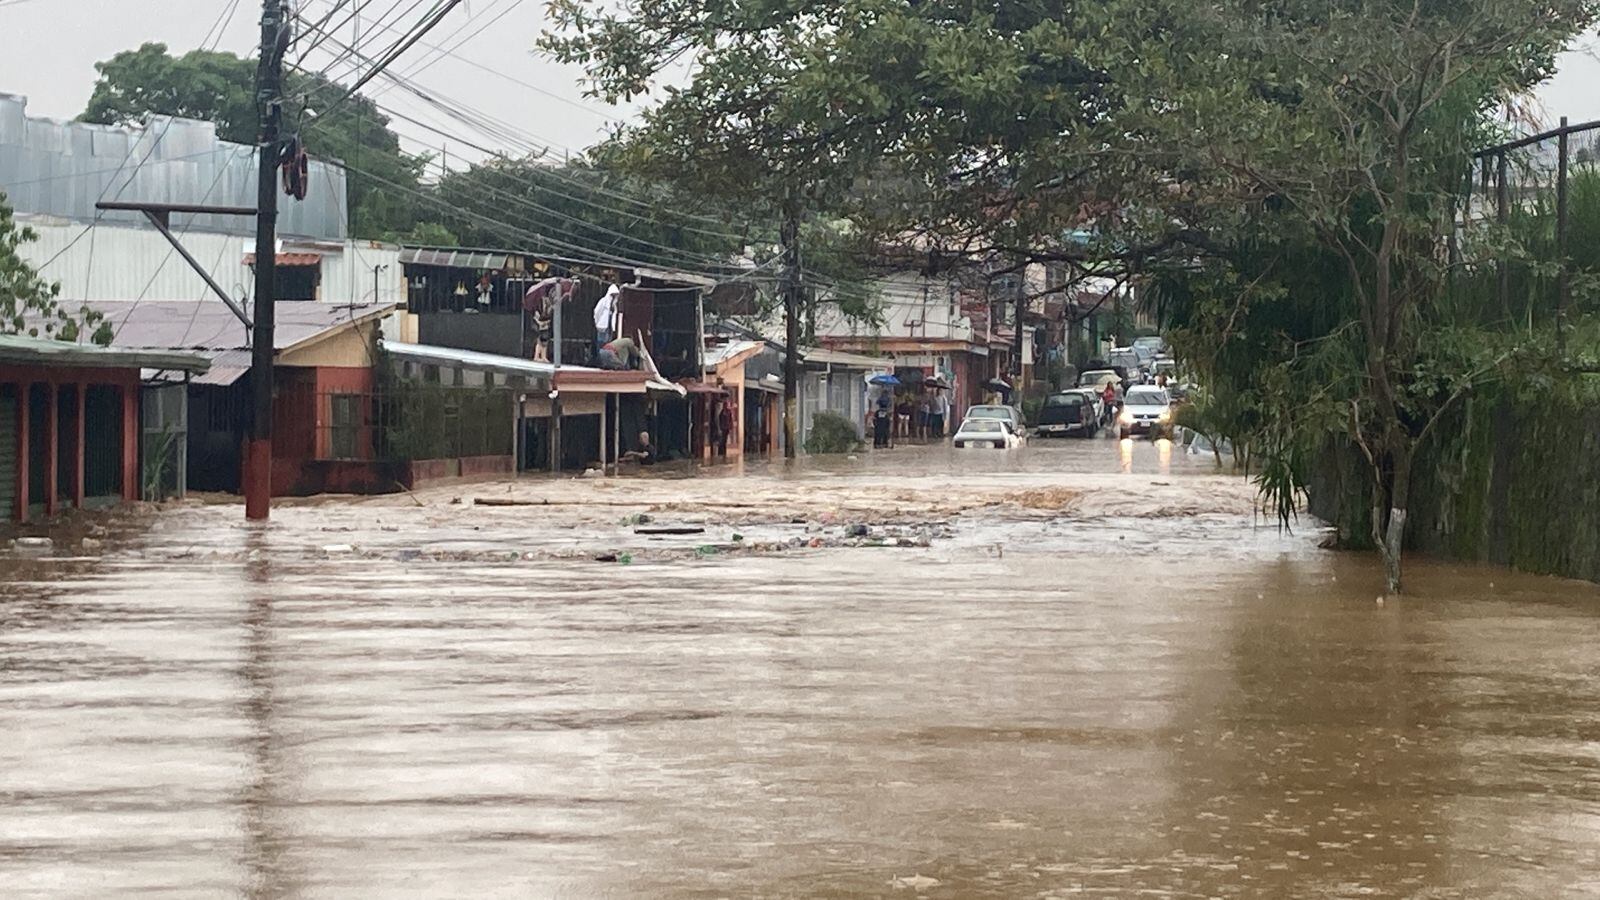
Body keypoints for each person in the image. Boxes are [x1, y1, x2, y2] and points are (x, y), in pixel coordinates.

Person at [593, 283, 619, 351]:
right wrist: (597, 322)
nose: (613, 296)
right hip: (602, 326)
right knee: (601, 342)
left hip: (609, 326)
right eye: (612, 294)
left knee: (608, 343)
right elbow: (597, 311)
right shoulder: (603, 301)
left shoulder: (614, 304)